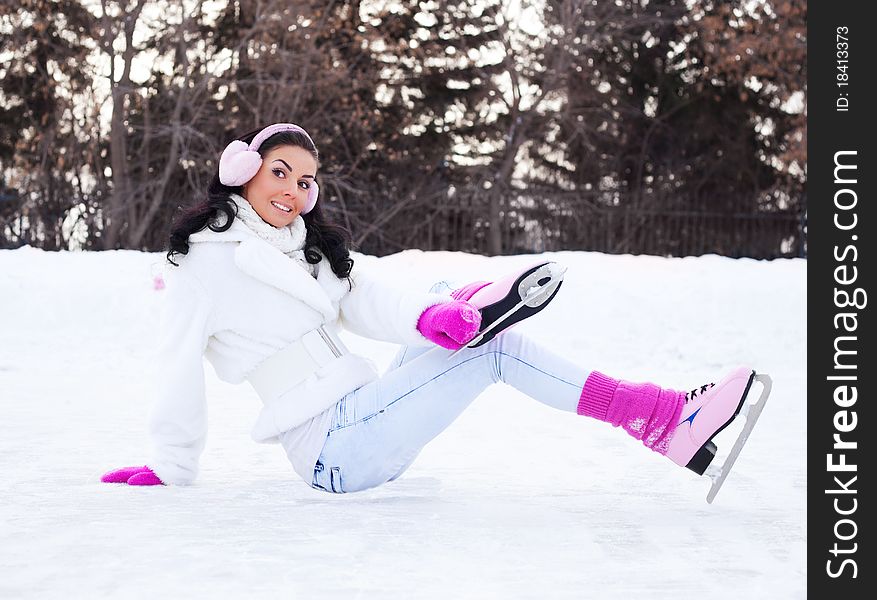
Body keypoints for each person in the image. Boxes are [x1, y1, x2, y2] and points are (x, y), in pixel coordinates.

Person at [101, 123, 768, 501]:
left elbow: (367, 293)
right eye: (280, 172)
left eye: (305, 180)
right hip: (334, 453)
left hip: (363, 418)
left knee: (444, 296)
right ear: (242, 170)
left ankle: (467, 310)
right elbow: (175, 359)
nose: (294, 190)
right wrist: (170, 460)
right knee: (493, 350)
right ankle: (661, 417)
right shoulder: (204, 259)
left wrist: (424, 319)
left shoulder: (303, 248)